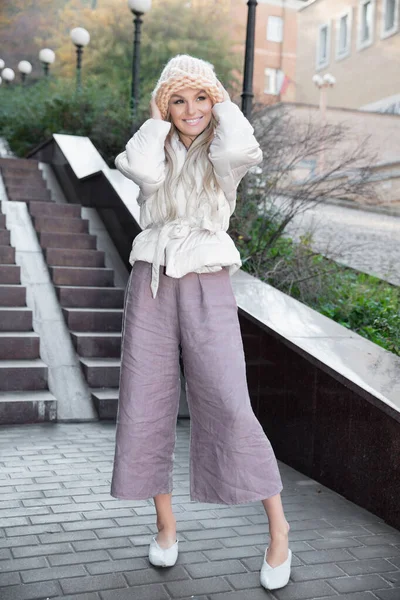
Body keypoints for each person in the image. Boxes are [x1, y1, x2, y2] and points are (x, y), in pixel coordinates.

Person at [111, 54, 291, 591]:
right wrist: (158, 118)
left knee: (230, 402)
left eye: (201, 98)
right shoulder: (157, 146)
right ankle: (165, 527)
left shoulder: (223, 152)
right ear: (164, 108)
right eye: (179, 99)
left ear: (216, 102)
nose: (191, 109)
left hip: (208, 278)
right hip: (151, 279)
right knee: (145, 402)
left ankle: (279, 532)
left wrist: (224, 101)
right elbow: (138, 170)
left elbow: (242, 146)